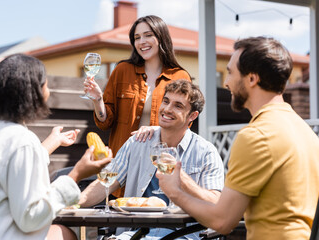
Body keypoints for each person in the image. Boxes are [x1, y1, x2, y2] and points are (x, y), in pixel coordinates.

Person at [157, 37, 319, 240]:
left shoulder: (256, 136)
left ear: (252, 79)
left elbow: (222, 221)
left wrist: (174, 192)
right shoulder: (306, 132)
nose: (226, 82)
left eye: (231, 72)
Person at [0, 54, 112, 240]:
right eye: (45, 84)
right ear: (32, 93)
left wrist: (53, 141)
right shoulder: (22, 140)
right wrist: (76, 175)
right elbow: (30, 218)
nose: (48, 89)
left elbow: (11, 166)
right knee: (65, 234)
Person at [79, 80, 224, 240]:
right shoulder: (138, 142)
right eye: (166, 101)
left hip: (184, 236)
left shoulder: (205, 152)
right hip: (135, 234)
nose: (167, 109)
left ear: (192, 116)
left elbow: (217, 203)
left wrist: (181, 177)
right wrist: (74, 202)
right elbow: (106, 181)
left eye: (178, 106)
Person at [84, 15, 191, 157]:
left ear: (161, 38)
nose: (142, 42)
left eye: (148, 35)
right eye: (137, 37)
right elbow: (105, 123)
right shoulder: (122, 70)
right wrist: (98, 100)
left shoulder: (180, 77)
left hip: (159, 161)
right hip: (123, 160)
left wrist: (156, 130)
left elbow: (184, 124)